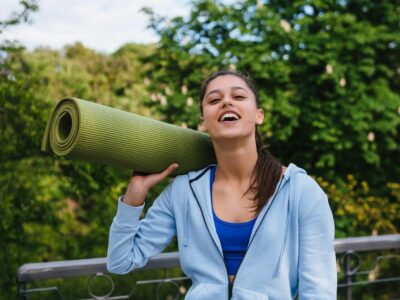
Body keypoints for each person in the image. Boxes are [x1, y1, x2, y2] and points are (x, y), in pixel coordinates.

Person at [107, 70, 337, 299]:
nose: (226, 102)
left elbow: (319, 291)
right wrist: (135, 194)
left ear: (259, 115)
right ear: (203, 123)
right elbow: (120, 261)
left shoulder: (300, 191)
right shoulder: (184, 191)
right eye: (214, 100)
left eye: (238, 97)